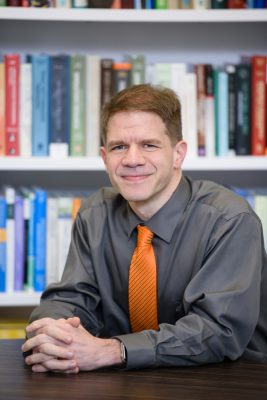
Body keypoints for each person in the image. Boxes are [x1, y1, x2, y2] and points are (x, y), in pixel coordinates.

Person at [22, 84, 267, 374]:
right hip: (122, 379)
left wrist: (114, 350)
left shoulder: (229, 220)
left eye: (149, 145)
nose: (132, 159)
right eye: (119, 147)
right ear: (104, 158)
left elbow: (217, 331)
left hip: (225, 379)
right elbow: (72, 299)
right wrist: (54, 333)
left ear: (178, 154)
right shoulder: (94, 214)